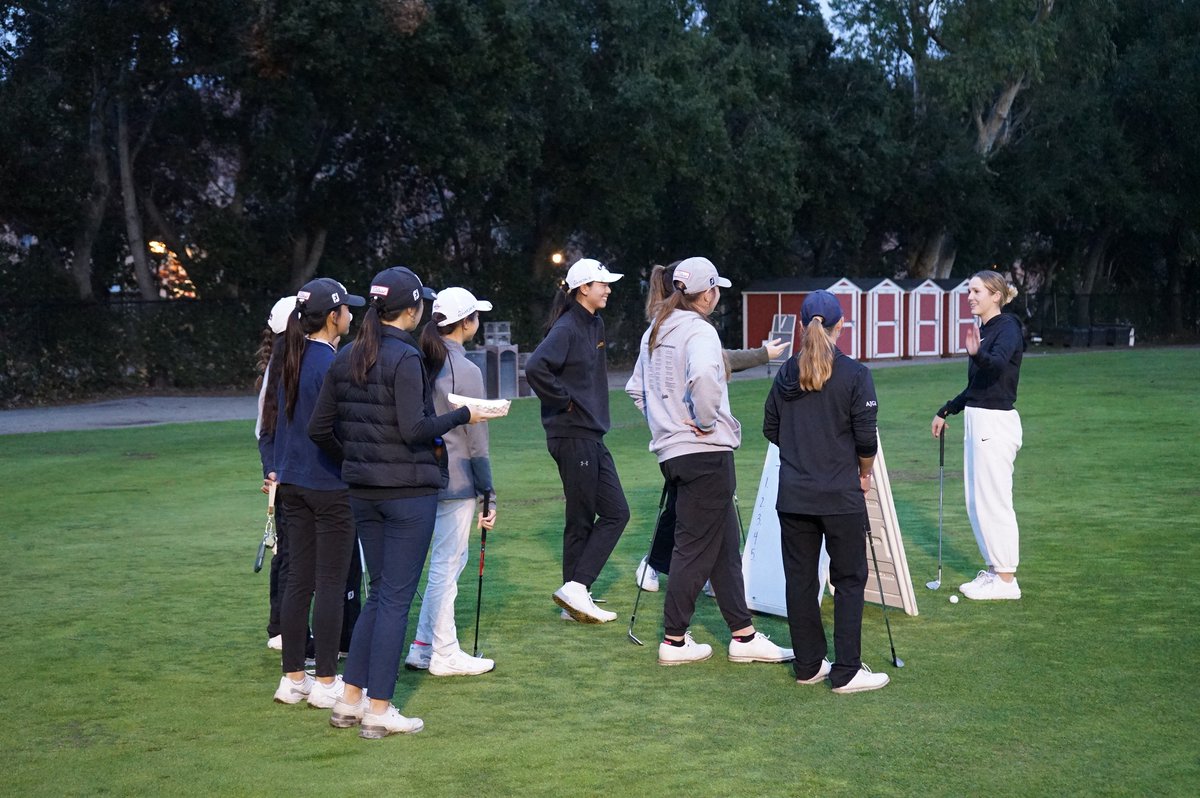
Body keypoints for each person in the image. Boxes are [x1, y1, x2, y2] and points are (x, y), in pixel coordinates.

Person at [308, 266, 500, 739]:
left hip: (363, 492)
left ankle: (352, 699)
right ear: (412, 310)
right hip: (406, 494)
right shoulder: (405, 358)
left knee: (381, 595)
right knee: (395, 598)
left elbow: (320, 429)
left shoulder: (348, 355)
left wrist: (355, 459)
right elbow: (416, 429)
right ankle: (378, 707)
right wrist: (464, 413)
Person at [626, 256, 793, 666]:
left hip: (675, 452)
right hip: (704, 452)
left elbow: (635, 389)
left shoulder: (655, 330)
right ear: (709, 292)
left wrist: (664, 426)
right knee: (693, 548)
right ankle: (674, 641)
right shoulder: (698, 330)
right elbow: (703, 375)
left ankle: (743, 634)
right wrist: (699, 421)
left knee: (722, 545)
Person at [763, 289, 889, 693]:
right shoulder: (855, 374)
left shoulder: (785, 374)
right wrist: (864, 472)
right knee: (849, 579)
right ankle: (846, 671)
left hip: (796, 495)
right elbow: (866, 440)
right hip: (839, 495)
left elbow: (771, 428)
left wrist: (804, 451)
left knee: (800, 580)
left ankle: (808, 666)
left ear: (801, 325)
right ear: (841, 326)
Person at [266, 278, 364, 709]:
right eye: (347, 310)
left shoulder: (290, 354)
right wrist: (350, 461)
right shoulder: (330, 362)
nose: (352, 316)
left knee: (298, 580)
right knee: (328, 583)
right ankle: (324, 680)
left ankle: (293, 678)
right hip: (328, 484)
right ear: (332, 316)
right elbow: (330, 429)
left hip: (293, 482)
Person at [525, 258, 630, 624]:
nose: (608, 289)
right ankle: (576, 588)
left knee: (613, 512)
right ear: (583, 288)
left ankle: (574, 593)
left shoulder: (594, 323)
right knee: (586, 517)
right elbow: (535, 367)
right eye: (602, 284)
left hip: (589, 433)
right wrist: (564, 400)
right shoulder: (569, 326)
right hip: (572, 434)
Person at [404, 287, 498, 676]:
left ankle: (424, 645)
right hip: (456, 478)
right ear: (466, 323)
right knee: (447, 565)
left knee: (444, 563)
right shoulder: (466, 369)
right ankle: (445, 652)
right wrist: (488, 489)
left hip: (422, 474)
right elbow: (476, 439)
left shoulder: (422, 359)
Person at [931, 271, 1025, 601]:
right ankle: (994, 570)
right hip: (978, 418)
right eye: (969, 291)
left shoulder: (1008, 327)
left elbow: (997, 366)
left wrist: (976, 354)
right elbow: (977, 387)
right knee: (976, 502)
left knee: (993, 501)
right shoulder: (984, 331)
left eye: (976, 291)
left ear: (995, 295)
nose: (970, 296)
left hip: (996, 423)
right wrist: (946, 410)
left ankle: (1006, 580)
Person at [255, 295, 298, 653]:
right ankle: (281, 627)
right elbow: (265, 431)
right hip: (288, 475)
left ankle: (282, 626)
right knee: (288, 555)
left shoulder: (284, 362)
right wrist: (273, 470)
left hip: (285, 473)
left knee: (288, 553)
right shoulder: (282, 367)